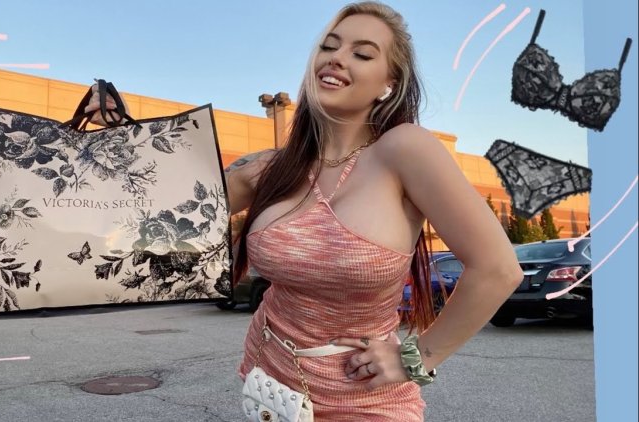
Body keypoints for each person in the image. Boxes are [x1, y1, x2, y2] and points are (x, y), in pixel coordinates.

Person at [90, 2, 523, 419]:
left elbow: (498, 270)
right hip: (272, 386)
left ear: (388, 84)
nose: (337, 58)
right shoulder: (270, 169)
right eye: (329, 46)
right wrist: (121, 138)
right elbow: (155, 219)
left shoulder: (404, 149)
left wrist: (417, 358)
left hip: (366, 401)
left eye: (362, 53)